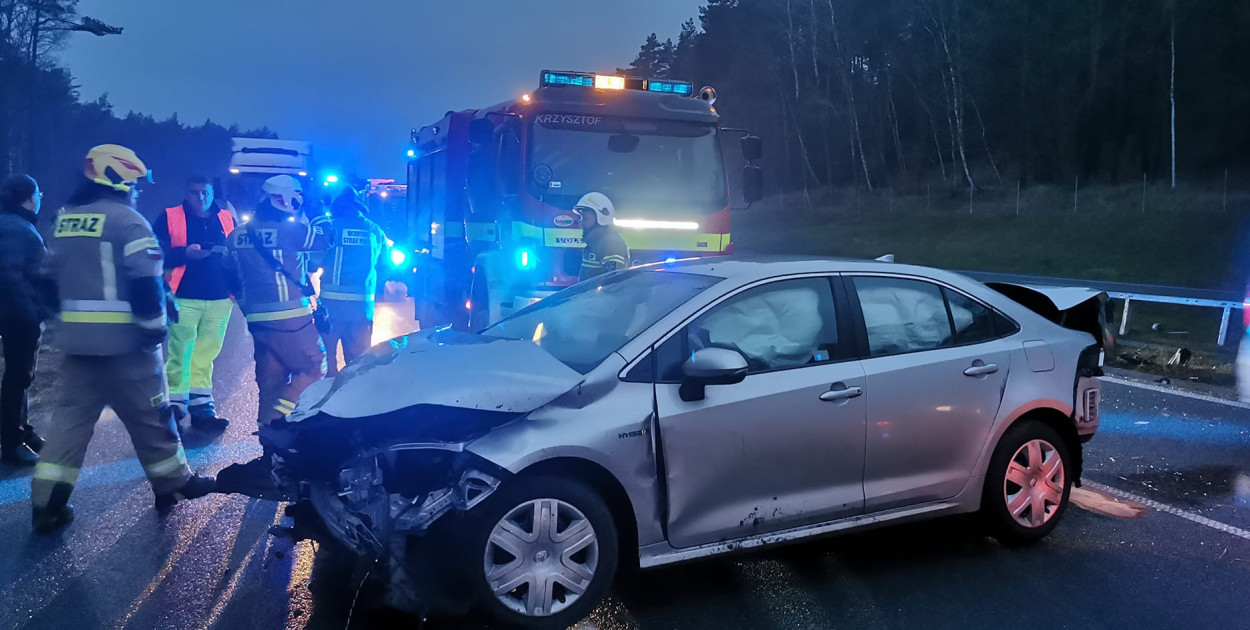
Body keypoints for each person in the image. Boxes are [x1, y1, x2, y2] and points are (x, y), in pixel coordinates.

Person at [33, 145, 215, 533]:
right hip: (127, 348)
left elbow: (45, 281)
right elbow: (145, 284)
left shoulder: (64, 220)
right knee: (152, 416)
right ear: (119, 181)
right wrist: (153, 332)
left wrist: (67, 322)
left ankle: (46, 504)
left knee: (68, 425)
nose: (138, 191)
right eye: (135, 183)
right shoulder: (128, 222)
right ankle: (175, 483)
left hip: (77, 348)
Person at [224, 174, 327, 427]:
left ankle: (267, 443)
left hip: (257, 320)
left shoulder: (237, 234)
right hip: (291, 318)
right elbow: (326, 239)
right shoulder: (290, 230)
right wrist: (317, 210)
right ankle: (278, 419)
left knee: (271, 380)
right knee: (315, 367)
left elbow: (227, 272)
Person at [153, 176, 236, 431]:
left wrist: (237, 292)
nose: (201, 197)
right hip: (183, 296)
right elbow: (154, 252)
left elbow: (235, 255)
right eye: (195, 192)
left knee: (206, 354)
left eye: (205, 192)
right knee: (181, 352)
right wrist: (183, 254)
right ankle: (176, 407)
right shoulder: (169, 217)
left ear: (212, 193)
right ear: (185, 193)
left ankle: (202, 410)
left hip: (220, 298)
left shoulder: (226, 217)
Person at [0, 174, 56, 466]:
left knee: (18, 376)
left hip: (13, 314)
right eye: (38, 194)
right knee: (18, 378)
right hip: (18, 316)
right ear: (29, 197)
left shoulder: (11, 224)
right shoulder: (21, 230)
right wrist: (35, 314)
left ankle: (23, 432)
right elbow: (25, 280)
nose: (39, 199)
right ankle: (11, 443)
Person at [310, 189, 386, 376]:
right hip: (362, 308)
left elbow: (313, 263)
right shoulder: (375, 230)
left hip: (331, 307)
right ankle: (353, 403)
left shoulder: (330, 228)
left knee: (327, 364)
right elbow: (385, 265)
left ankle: (326, 403)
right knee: (358, 366)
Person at [573, 192, 630, 282]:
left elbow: (613, 283)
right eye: (581, 218)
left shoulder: (611, 244)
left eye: (585, 218)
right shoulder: (595, 244)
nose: (581, 223)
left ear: (601, 219)